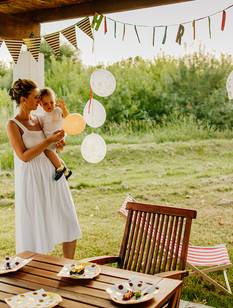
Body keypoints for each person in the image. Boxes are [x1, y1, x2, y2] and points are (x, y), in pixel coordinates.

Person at [7, 79, 81, 259]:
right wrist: (48, 141)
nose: (39, 100)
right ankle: (37, 271)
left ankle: (68, 266)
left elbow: (55, 145)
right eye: (35, 97)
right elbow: (24, 156)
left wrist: (58, 142)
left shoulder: (39, 119)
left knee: (67, 218)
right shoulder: (13, 124)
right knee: (37, 224)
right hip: (33, 178)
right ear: (24, 100)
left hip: (53, 175)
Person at [39, 87, 72, 181]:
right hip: (51, 139)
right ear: (40, 104)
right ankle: (66, 171)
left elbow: (68, 118)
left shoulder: (57, 110)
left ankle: (60, 168)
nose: (49, 105)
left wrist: (64, 108)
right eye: (45, 104)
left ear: (55, 101)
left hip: (59, 135)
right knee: (52, 154)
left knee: (47, 151)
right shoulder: (43, 117)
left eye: (51, 102)